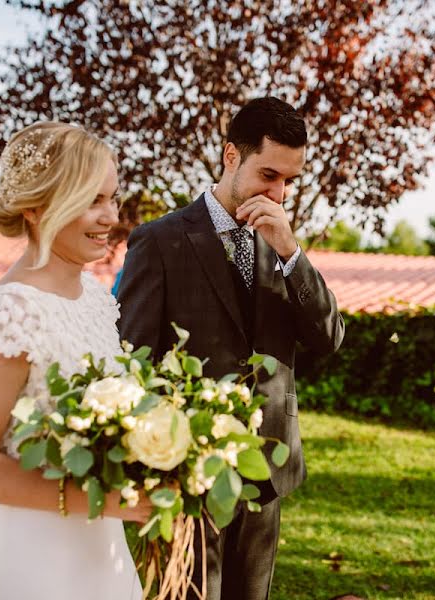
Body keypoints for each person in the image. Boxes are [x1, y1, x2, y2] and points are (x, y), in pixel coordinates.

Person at [117, 97, 345, 600]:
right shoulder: (159, 242)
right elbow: (133, 361)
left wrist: (291, 254)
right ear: (230, 156)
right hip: (188, 468)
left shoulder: (283, 246)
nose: (279, 193)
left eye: (289, 181)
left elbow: (329, 338)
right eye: (269, 174)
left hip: (269, 468)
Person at [0, 122, 152, 599]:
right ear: (37, 209)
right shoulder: (11, 311)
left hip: (100, 546)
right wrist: (104, 500)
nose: (110, 217)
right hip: (33, 556)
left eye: (112, 198)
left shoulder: (95, 298)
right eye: (91, 201)